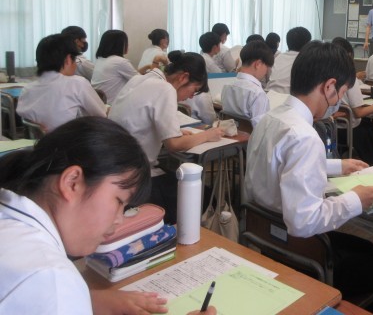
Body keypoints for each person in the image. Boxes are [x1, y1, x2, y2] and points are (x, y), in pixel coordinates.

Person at [0, 117, 216, 315]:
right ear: (72, 182)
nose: (119, 220)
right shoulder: (49, 279)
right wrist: (72, 296)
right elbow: (49, 293)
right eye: (119, 201)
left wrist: (87, 299)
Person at [245, 41, 373, 301]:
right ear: (329, 87)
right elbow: (304, 222)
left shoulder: (269, 119)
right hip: (304, 253)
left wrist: (339, 165)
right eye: (341, 93)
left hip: (269, 239)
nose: (338, 102)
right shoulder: (305, 137)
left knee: (368, 251)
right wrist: (355, 200)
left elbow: (281, 163)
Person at [109, 51, 225, 223]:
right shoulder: (166, 89)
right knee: (204, 196)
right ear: (183, 77)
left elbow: (142, 120)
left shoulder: (140, 79)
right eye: (194, 90)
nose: (190, 97)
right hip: (134, 179)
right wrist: (207, 135)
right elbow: (174, 144)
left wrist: (172, 132)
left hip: (113, 168)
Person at [17, 34, 106, 132]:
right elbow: (102, 116)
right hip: (68, 140)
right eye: (75, 60)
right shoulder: (76, 83)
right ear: (68, 59)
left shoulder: (27, 89)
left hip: (39, 141)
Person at [332, 37, 373, 165]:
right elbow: (358, 112)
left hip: (333, 129)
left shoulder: (327, 74)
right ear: (349, 55)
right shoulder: (349, 78)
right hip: (351, 131)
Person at [91, 30, 166, 104]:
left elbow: (134, 76)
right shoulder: (120, 62)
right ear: (119, 45)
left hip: (101, 103)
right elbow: (142, 82)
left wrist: (147, 66)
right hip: (113, 104)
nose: (128, 45)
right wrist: (156, 61)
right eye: (126, 42)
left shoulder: (100, 60)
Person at [221, 41, 274, 127]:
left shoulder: (227, 86)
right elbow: (260, 129)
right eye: (267, 67)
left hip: (230, 133)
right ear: (258, 64)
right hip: (251, 135)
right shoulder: (258, 94)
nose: (266, 72)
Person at [266, 26, 312, 93]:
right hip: (289, 97)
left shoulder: (279, 57)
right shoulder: (307, 61)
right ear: (307, 44)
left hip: (269, 94)